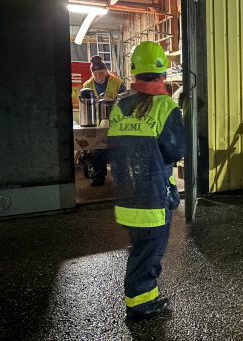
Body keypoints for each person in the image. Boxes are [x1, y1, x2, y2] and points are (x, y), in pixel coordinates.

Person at [107, 41, 186, 323]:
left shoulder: (119, 107)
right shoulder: (165, 106)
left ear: (135, 71)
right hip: (152, 198)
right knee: (149, 254)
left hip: (126, 196)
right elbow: (176, 151)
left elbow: (114, 148)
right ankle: (140, 305)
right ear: (162, 72)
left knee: (141, 249)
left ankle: (144, 297)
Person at [82, 55, 126, 187]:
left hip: (116, 122)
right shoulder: (87, 85)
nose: (99, 76)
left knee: (118, 150)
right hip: (96, 123)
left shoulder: (117, 83)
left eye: (101, 73)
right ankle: (98, 177)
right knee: (98, 149)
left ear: (106, 71)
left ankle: (120, 178)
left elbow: (125, 102)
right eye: (95, 74)